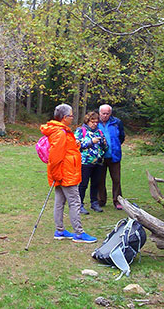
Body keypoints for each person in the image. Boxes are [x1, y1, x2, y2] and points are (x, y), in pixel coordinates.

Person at [41, 104, 97, 243]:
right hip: (65, 173)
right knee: (75, 202)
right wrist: (56, 175)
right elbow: (55, 156)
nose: (73, 118)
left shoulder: (61, 131)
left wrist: (75, 144)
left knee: (60, 201)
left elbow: (65, 150)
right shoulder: (60, 132)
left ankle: (60, 230)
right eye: (71, 116)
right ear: (65, 117)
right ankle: (79, 233)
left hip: (63, 172)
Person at [75, 112, 108, 214]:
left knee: (95, 183)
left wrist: (104, 144)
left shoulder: (99, 132)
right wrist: (91, 142)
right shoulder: (81, 131)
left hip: (98, 162)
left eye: (96, 122)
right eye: (92, 122)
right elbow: (76, 145)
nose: (94, 124)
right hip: (85, 162)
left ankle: (94, 203)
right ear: (87, 121)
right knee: (83, 184)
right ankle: (79, 204)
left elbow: (105, 148)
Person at [97, 104, 125, 210]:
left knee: (116, 179)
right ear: (99, 113)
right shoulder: (95, 123)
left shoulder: (117, 122)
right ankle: (101, 200)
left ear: (110, 113)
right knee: (100, 179)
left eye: (107, 113)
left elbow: (121, 137)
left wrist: (115, 146)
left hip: (114, 156)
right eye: (103, 113)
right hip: (100, 156)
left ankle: (118, 200)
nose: (105, 115)